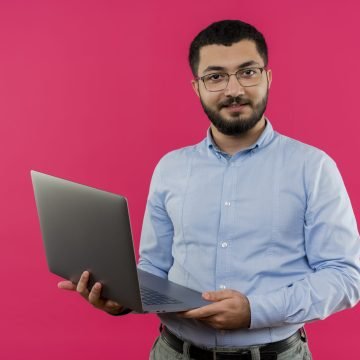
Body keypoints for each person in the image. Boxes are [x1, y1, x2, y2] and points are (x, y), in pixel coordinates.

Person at [58, 20, 360, 359]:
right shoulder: (170, 168)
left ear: (268, 77)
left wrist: (254, 310)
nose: (234, 89)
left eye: (248, 72)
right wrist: (120, 298)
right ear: (196, 87)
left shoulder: (313, 167)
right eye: (215, 77)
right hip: (173, 351)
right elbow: (154, 269)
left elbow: (346, 276)